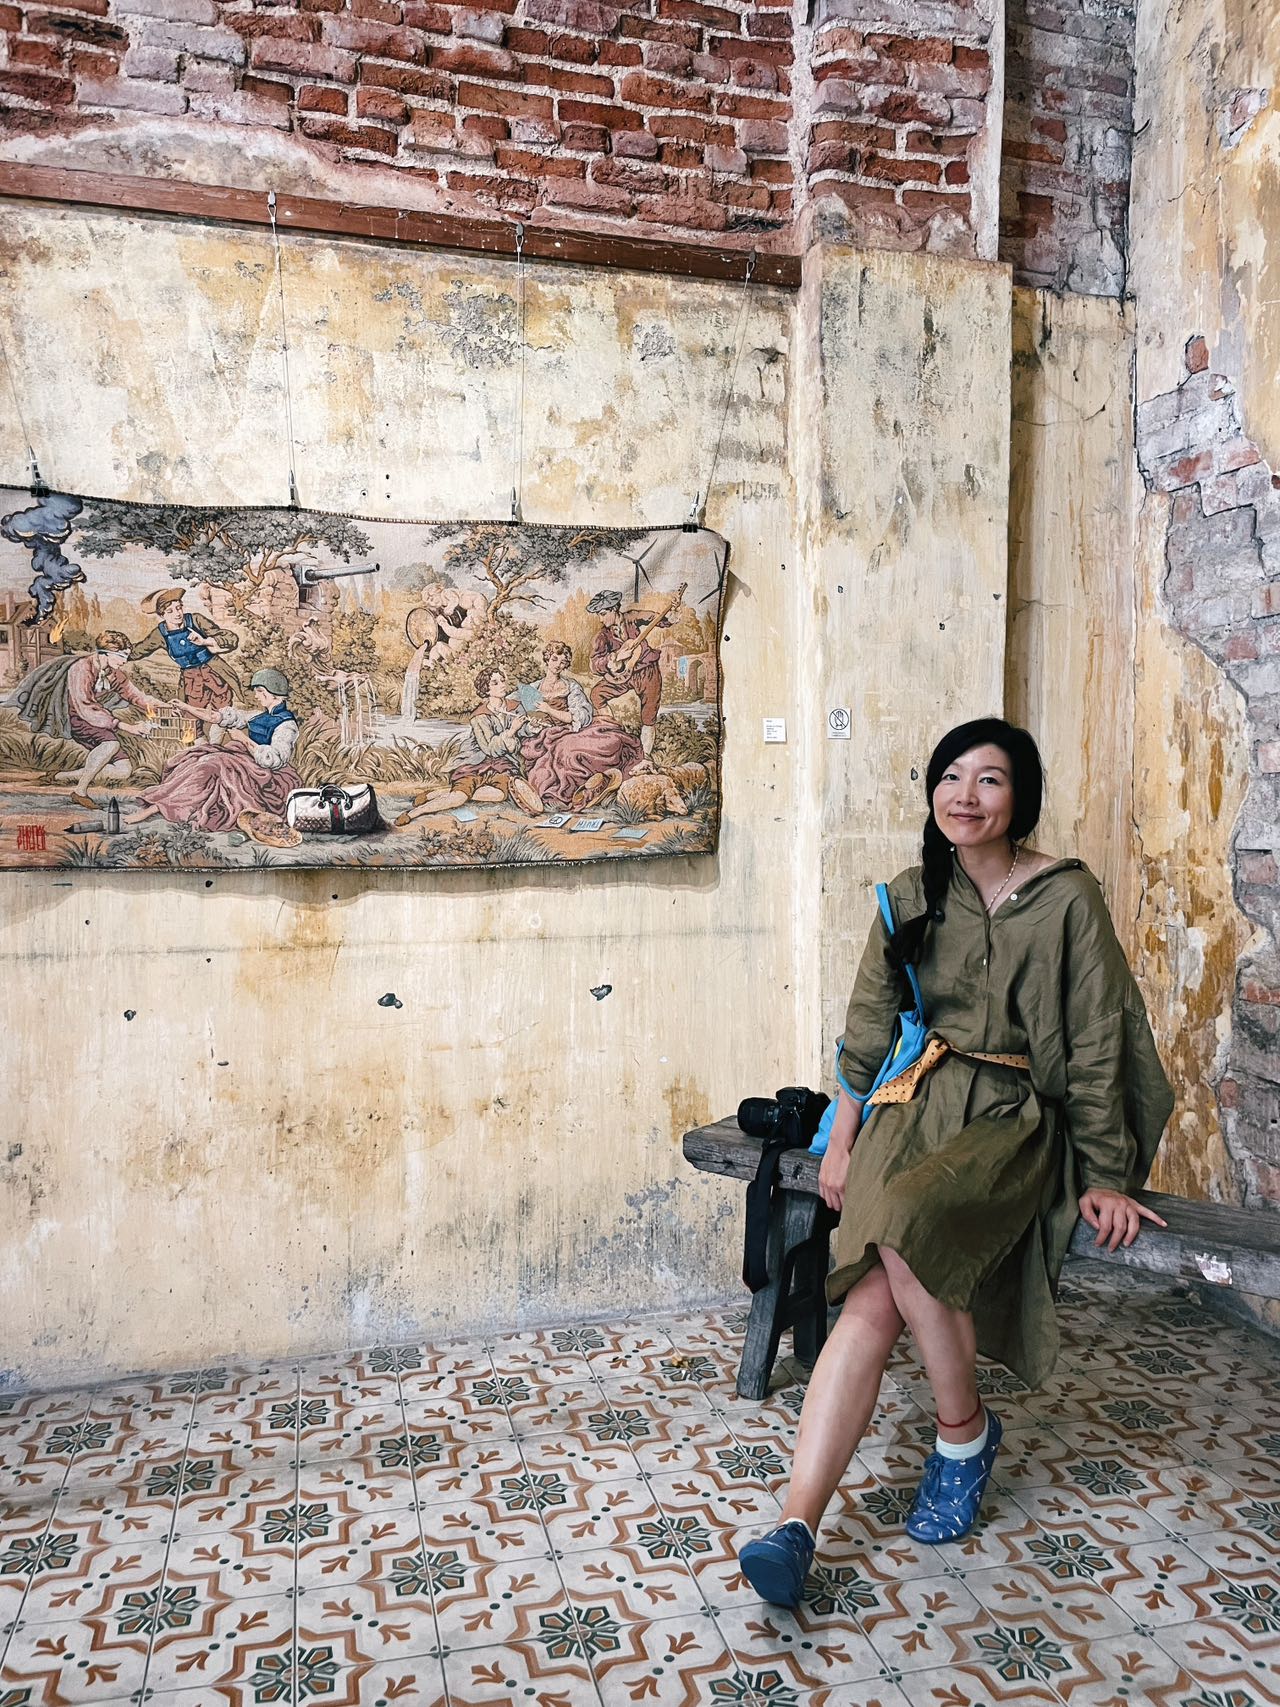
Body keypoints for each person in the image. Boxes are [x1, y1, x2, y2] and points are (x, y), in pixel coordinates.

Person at [737, 717, 1175, 1608]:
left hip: (1014, 1117)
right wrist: (841, 1140)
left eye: (989, 779)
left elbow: (1098, 1040)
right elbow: (867, 1029)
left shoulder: (1065, 897)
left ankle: (963, 1432)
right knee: (871, 1295)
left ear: (1021, 798)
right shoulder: (909, 894)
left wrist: (1104, 1174)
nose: (965, 796)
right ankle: (795, 1525)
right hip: (915, 1107)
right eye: (951, 777)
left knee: (902, 1233)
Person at [122, 667, 302, 839]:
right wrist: (186, 707)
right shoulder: (258, 715)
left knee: (211, 764)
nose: (256, 695)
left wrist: (243, 739)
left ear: (275, 694)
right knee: (196, 756)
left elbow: (273, 760)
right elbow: (216, 717)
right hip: (247, 761)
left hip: (267, 776)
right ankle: (164, 799)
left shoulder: (287, 725)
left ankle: (159, 807)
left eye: (260, 691)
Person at [7, 630, 160, 809]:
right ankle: (80, 792)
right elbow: (85, 706)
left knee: (123, 771)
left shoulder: (114, 673)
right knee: (111, 745)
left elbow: (135, 695)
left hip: (98, 719)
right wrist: (126, 726)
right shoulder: (81, 668)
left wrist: (164, 706)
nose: (125, 661)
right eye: (121, 656)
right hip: (77, 718)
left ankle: (57, 776)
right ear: (105, 653)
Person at [395, 665, 543, 823]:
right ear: (486, 689)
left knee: (500, 794)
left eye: (502, 680)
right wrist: (512, 730)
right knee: (459, 798)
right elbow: (489, 748)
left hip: (503, 763)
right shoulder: (479, 716)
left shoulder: (515, 707)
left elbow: (522, 730)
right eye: (495, 683)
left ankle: (441, 792)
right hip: (477, 762)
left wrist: (530, 727)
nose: (502, 685)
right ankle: (414, 813)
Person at [519, 642, 647, 810]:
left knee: (610, 742)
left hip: (572, 729)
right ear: (547, 659)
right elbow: (524, 717)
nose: (558, 665)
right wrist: (533, 724)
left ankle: (600, 786)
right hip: (546, 735)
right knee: (565, 754)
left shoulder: (571, 686)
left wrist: (549, 709)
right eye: (554, 659)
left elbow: (580, 717)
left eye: (563, 662)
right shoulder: (532, 689)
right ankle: (580, 793)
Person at [129, 587, 240, 743]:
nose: (177, 613)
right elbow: (139, 650)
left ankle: (217, 744)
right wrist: (119, 651)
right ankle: (200, 745)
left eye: (179, 608)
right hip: (190, 677)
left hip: (212, 670)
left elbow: (230, 638)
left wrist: (205, 641)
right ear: (162, 615)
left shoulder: (196, 620)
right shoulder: (160, 634)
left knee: (223, 707)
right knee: (191, 714)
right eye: (170, 611)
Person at [587, 589, 671, 757]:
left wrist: (671, 613)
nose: (601, 619)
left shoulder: (631, 618)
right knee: (597, 695)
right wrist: (613, 659)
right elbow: (594, 664)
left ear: (614, 609)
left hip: (647, 670)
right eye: (598, 615)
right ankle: (614, 735)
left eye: (603, 614)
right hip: (622, 675)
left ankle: (644, 757)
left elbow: (654, 618)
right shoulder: (602, 635)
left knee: (649, 715)